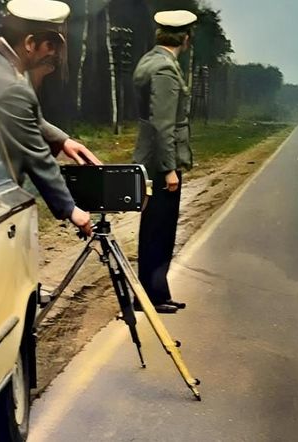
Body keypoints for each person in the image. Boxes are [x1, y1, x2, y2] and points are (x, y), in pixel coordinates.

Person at [0, 0, 100, 236]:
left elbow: (25, 117)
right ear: (29, 43)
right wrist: (70, 208)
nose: (54, 53)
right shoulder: (13, 87)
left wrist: (63, 141)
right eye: (50, 45)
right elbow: (37, 156)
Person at [132, 10, 197, 314]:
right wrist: (169, 168)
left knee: (153, 229)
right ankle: (153, 296)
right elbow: (163, 124)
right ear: (185, 38)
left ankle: (152, 293)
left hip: (150, 159)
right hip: (161, 164)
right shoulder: (166, 71)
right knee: (160, 230)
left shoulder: (150, 61)